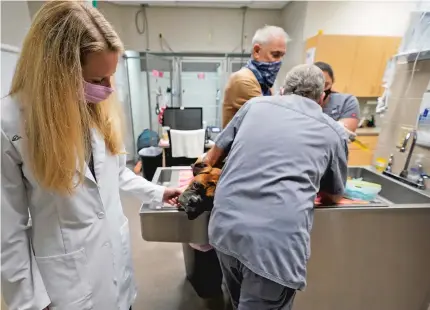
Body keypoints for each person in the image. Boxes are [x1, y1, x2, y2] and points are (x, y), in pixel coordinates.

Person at [1, 2, 181, 310]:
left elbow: (116, 172)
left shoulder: (96, 111)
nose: (107, 89)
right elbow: (7, 231)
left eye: (109, 77)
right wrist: (30, 304)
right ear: (56, 72)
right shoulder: (12, 123)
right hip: (64, 289)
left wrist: (159, 192)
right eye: (96, 80)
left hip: (116, 273)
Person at [204, 64, 348, 309]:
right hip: (272, 247)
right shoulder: (334, 132)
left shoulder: (254, 105)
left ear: (283, 90)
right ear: (322, 97)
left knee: (239, 302)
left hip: (225, 231)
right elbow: (333, 195)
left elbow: (213, 156)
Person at [222, 25, 289, 128]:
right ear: (257, 51)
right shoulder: (243, 79)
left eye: (282, 56)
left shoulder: (265, 83)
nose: (279, 61)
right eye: (275, 55)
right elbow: (268, 119)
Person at [314, 61, 360, 133]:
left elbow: (346, 133)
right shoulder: (299, 103)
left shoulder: (347, 101)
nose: (321, 90)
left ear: (333, 82)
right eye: (316, 85)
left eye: (325, 85)